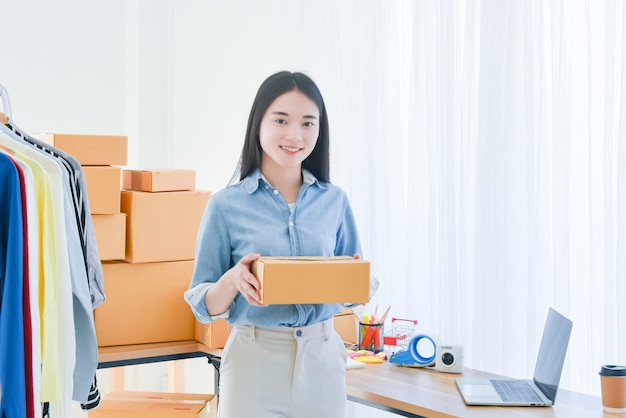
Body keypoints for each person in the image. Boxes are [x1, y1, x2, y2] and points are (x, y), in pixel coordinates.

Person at [184, 70, 376, 417]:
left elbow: (357, 286)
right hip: (254, 362)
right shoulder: (225, 205)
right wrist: (233, 281)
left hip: (322, 359)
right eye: (281, 120)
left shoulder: (335, 201)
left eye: (307, 123)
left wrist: (355, 285)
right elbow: (202, 304)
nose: (294, 135)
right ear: (259, 123)